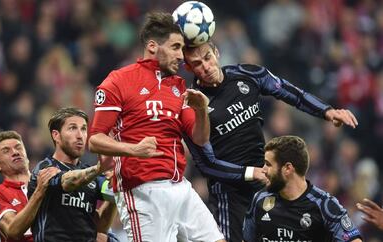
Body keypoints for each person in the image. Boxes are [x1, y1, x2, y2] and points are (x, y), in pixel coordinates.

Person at [182, 41, 358, 242]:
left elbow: (287, 91)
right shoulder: (192, 104)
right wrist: (251, 173)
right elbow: (207, 165)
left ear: (216, 52)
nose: (205, 67)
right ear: (188, 67)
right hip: (230, 196)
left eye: (207, 57)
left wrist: (326, 111)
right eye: (197, 64)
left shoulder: (246, 75)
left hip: (265, 182)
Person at [88, 12, 225, 242]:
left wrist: (201, 110)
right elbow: (95, 139)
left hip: (179, 186)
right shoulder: (118, 81)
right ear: (152, 46)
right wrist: (134, 150)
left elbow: (200, 139)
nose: (181, 56)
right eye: (175, 47)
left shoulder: (178, 86)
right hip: (142, 191)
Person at [242, 135, 362, 242]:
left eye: (268, 164)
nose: (263, 170)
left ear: (288, 168)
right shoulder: (260, 199)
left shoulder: (324, 205)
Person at [28, 107, 118, 242]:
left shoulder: (93, 176)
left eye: (83, 129)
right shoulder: (44, 169)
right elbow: (68, 182)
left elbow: (102, 225)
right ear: (56, 135)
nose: (80, 135)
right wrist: (99, 168)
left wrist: (116, 183)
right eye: (72, 128)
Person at [0, 130, 59, 242]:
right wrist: (39, 191)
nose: (15, 152)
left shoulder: (50, 181)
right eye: (6, 151)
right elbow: (13, 231)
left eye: (18, 147)